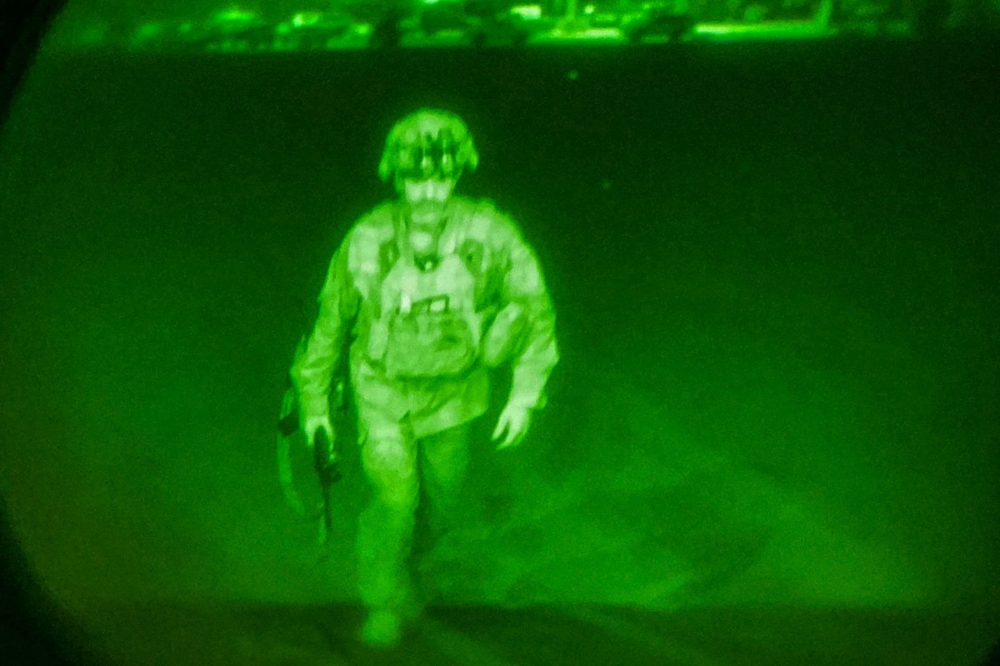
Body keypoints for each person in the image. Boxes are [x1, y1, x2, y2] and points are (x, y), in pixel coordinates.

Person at [290, 108, 559, 648]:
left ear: (458, 173)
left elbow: (533, 311)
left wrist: (524, 395)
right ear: (396, 176)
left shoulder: (492, 234)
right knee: (394, 500)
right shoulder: (367, 239)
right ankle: (384, 599)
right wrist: (314, 404)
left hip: (456, 397)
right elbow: (331, 323)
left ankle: (404, 566)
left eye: (441, 176)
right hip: (381, 392)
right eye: (416, 178)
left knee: (440, 505)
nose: (430, 191)